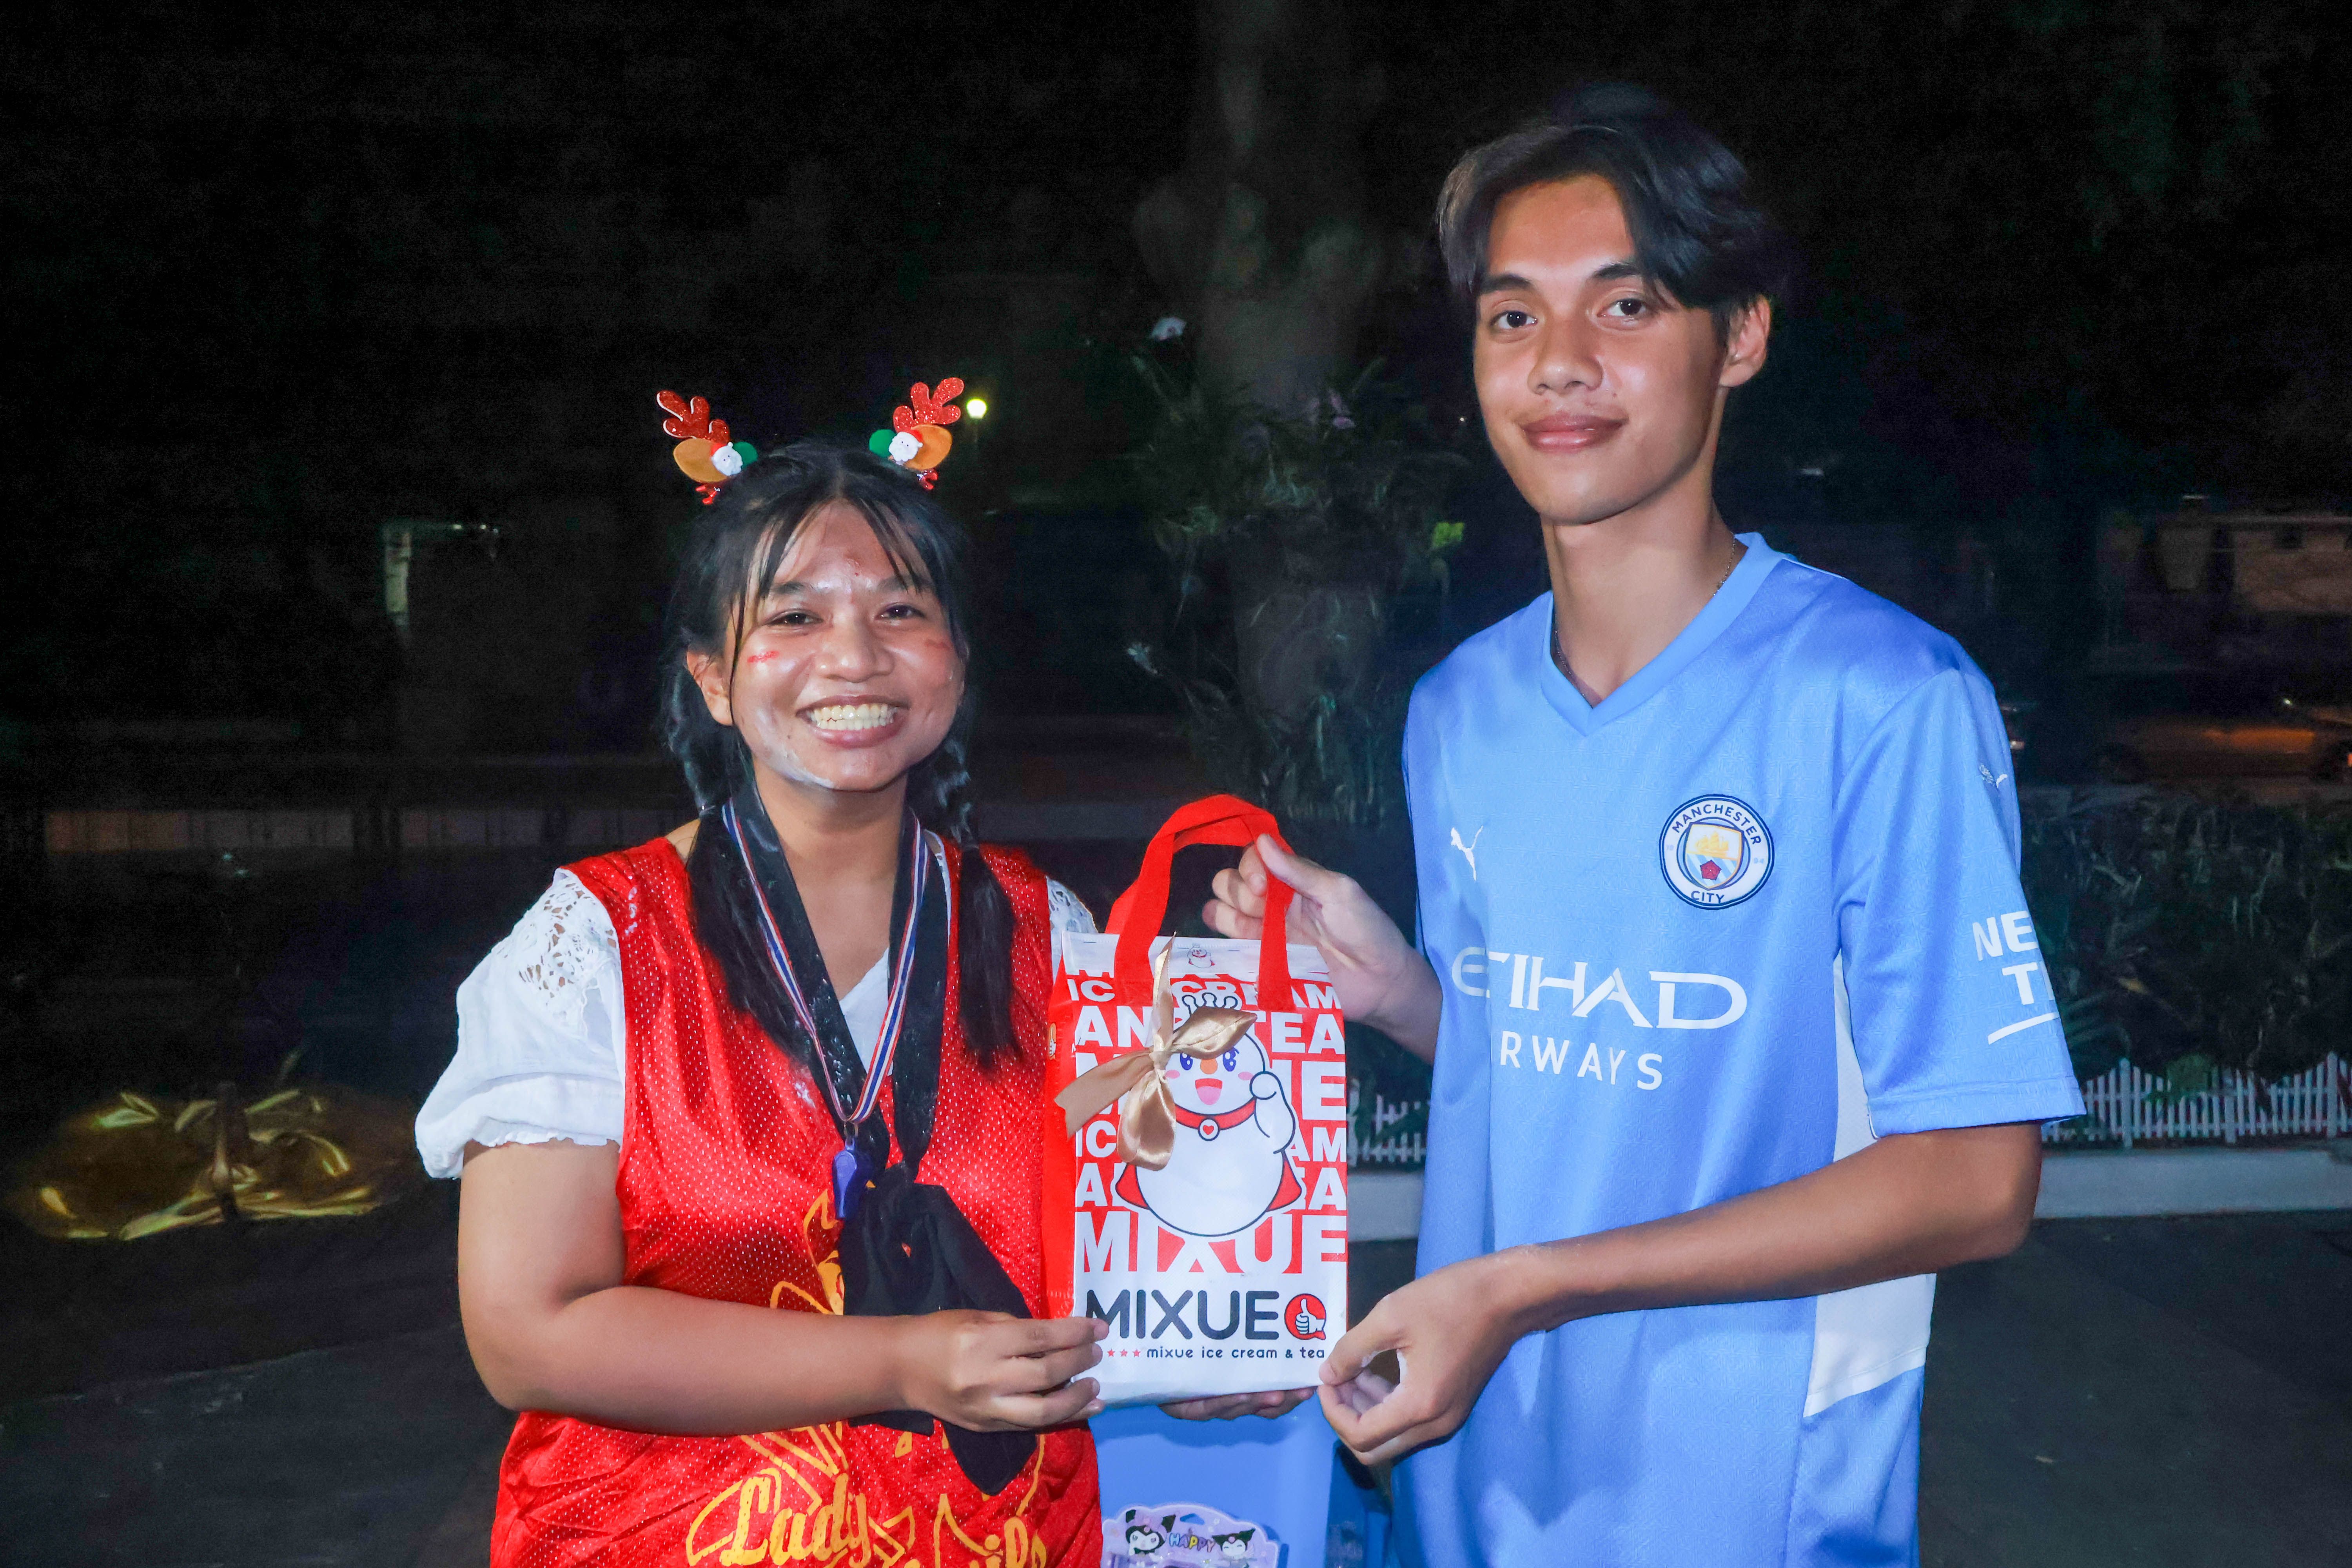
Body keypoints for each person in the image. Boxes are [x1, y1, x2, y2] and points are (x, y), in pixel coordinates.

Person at [1203, 86, 2084, 1566]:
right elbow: (1576, 1069)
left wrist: (1525, 1288)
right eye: (1513, 316)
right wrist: (1405, 994)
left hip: (1743, 1495)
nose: (1560, 363)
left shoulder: (1881, 696)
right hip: (1468, 1472)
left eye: (1626, 306)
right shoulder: (1461, 707)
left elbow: (1975, 1181)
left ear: (1738, 337)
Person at [416, 443, 1112, 1566]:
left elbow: (1128, 1252)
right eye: (794, 616)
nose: (855, 656)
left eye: (900, 610)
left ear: (957, 661)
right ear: (712, 677)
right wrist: (901, 1363)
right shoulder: (597, 942)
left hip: (1010, 1538)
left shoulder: (1051, 931)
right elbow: (528, 1334)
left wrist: (1215, 1360)